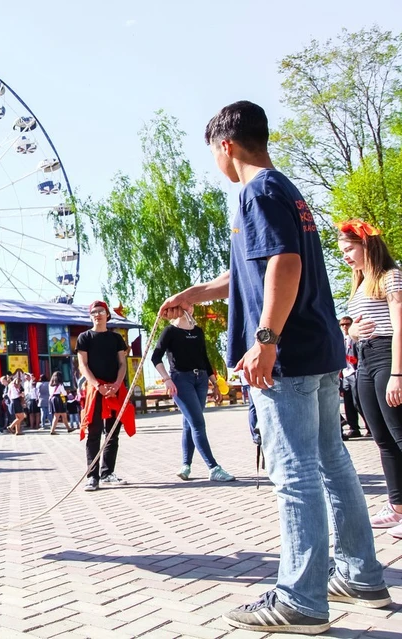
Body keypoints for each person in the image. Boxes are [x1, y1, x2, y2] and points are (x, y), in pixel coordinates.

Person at [161, 101, 388, 633]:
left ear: (226, 147)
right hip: (318, 347)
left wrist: (265, 338)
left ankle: (301, 600)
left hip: (287, 355)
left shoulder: (253, 192)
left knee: (295, 473)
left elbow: (285, 263)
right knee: (332, 463)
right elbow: (252, 267)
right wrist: (196, 291)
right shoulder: (283, 188)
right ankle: (360, 575)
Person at [337, 220, 402, 536]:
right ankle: (397, 505)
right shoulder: (359, 283)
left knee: (399, 434)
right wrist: (349, 330)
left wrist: (397, 374)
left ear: (367, 245)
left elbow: (399, 326)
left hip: (387, 359)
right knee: (382, 439)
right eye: (343, 251)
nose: (346, 257)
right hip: (363, 361)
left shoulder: (391, 277)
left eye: (349, 249)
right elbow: (351, 325)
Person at [151, 307, 235, 482]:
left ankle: (186, 466)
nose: (189, 308)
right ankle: (214, 468)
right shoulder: (170, 331)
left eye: (191, 305)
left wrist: (214, 383)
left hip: (201, 379)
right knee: (198, 423)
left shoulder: (198, 331)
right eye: (185, 305)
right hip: (181, 380)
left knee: (189, 423)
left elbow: (204, 358)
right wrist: (167, 379)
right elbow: (156, 357)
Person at [76, 301, 134, 491]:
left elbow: (122, 364)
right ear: (90, 316)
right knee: (94, 432)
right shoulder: (85, 338)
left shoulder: (116, 338)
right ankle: (92, 477)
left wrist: (117, 384)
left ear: (107, 314)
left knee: (113, 432)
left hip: (115, 388)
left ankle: (108, 473)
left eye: (101, 311)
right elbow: (82, 365)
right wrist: (97, 385)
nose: (97, 314)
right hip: (96, 389)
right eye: (94, 312)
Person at [339, 316, 367, 439]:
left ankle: (370, 427)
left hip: (355, 372)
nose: (345, 326)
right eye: (342, 324)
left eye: (347, 324)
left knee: (358, 402)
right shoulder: (340, 339)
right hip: (344, 374)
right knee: (348, 403)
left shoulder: (355, 339)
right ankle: (354, 428)